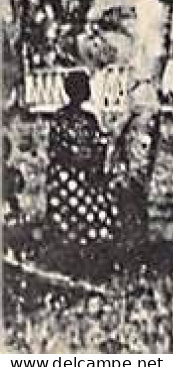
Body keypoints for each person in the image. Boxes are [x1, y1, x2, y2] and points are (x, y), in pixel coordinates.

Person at [45, 70, 118, 267]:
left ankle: (78, 249)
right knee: (92, 207)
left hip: (70, 175)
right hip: (74, 175)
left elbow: (55, 148)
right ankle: (83, 248)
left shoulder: (66, 118)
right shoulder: (82, 119)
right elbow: (60, 149)